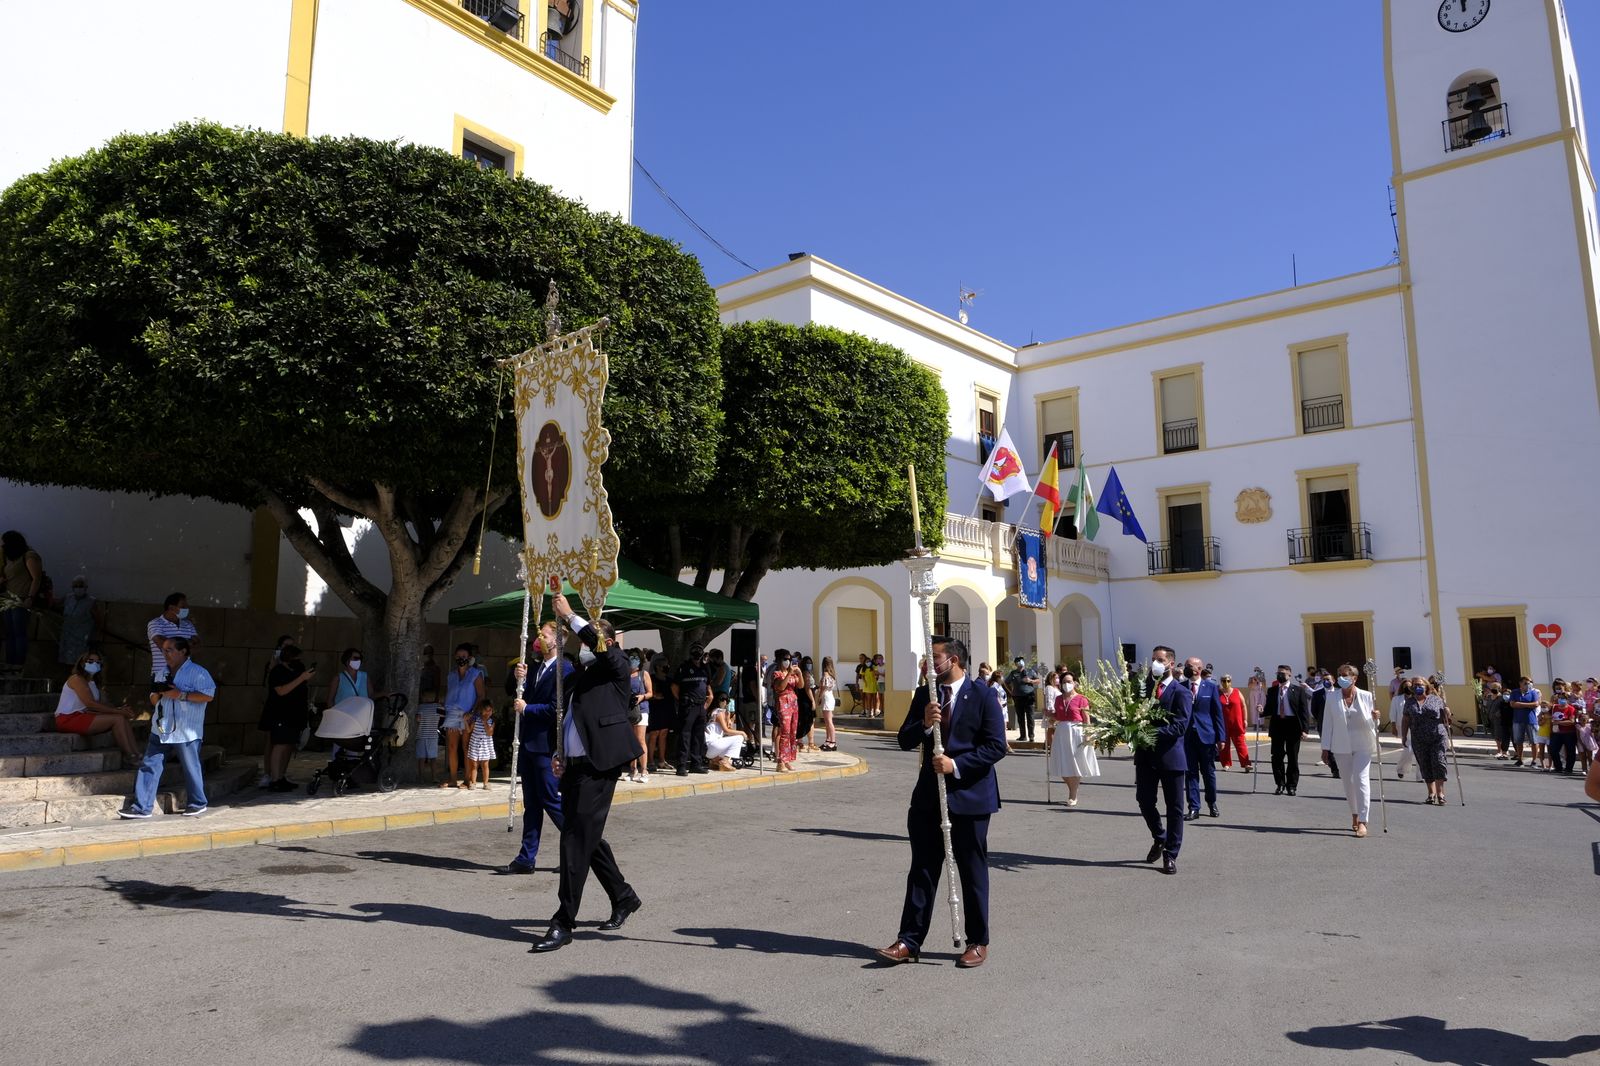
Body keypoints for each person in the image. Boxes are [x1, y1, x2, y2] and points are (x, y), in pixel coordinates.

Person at [876, 634, 1007, 968]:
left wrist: (956, 765)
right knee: (922, 868)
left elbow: (995, 745)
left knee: (972, 870)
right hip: (928, 798)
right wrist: (923, 723)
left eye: (934, 657)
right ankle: (909, 940)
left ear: (954, 659)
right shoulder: (925, 694)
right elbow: (904, 739)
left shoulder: (983, 694)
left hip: (970, 796)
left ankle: (978, 941)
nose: (928, 663)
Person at [531, 593, 645, 954]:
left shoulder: (616, 665)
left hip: (600, 766)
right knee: (585, 835)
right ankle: (623, 895)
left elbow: (604, 651)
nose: (581, 647)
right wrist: (559, 750)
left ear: (605, 642)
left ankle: (563, 921)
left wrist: (571, 616)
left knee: (574, 840)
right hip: (576, 766)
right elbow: (571, 720)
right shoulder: (583, 674)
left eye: (588, 641)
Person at [502, 621, 572, 875]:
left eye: (544, 635)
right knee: (531, 804)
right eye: (538, 634)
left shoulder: (565, 669)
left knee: (551, 800)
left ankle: (579, 849)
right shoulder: (535, 667)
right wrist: (519, 678)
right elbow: (521, 694)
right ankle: (526, 857)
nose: (538, 638)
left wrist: (527, 709)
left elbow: (557, 709)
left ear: (558, 641)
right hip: (529, 743)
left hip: (546, 745)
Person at [119, 637, 214, 819]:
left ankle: (197, 803)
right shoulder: (161, 672)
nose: (165, 654)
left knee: (190, 767)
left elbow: (208, 696)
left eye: (169, 650)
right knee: (150, 765)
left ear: (183, 651)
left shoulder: (198, 672)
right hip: (161, 727)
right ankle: (141, 807)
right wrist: (161, 693)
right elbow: (153, 700)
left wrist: (180, 695)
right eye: (163, 650)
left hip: (186, 729)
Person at [1136, 647, 1191, 874]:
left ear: (1171, 663)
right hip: (1145, 757)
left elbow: (1180, 726)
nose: (1155, 664)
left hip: (1171, 759)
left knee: (1175, 808)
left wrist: (1150, 732)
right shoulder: (1144, 689)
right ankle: (1160, 837)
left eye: (1160, 660)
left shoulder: (1181, 692)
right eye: (1153, 660)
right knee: (1145, 801)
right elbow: (1132, 713)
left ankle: (1171, 854)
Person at [1318, 663, 1379, 836]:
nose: (1342, 678)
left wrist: (1377, 718)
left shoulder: (1367, 696)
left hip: (1363, 744)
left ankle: (1362, 821)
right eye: (1340, 675)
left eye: (1346, 675)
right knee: (1348, 782)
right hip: (1341, 745)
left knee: (1361, 779)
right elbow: (1327, 724)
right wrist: (1325, 748)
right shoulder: (1332, 697)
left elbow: (1373, 722)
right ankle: (1354, 813)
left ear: (1355, 678)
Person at [54, 650, 142, 765]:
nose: (94, 664)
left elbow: (102, 705)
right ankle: (130, 756)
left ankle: (137, 754)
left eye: (97, 662)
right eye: (90, 661)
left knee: (121, 716)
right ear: (82, 663)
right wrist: (117, 712)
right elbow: (90, 703)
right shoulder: (77, 679)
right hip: (67, 718)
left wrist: (121, 710)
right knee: (118, 718)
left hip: (83, 715)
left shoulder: (93, 682)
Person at [259, 643, 314, 792]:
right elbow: (281, 691)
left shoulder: (297, 670)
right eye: (297, 658)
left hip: (295, 715)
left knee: (289, 745)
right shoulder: (278, 671)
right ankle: (275, 778)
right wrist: (302, 678)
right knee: (280, 745)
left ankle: (282, 776)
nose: (299, 661)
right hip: (280, 714)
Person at [1182, 656, 1225, 820]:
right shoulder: (1181, 687)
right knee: (1190, 772)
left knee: (1208, 772)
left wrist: (1221, 737)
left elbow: (1217, 713)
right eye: (1186, 665)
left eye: (1190, 666)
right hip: (1187, 737)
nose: (1187, 668)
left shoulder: (1211, 687)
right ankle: (1194, 807)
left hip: (1206, 735)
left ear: (1199, 669)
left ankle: (1211, 802)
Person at [1046, 670, 1098, 805]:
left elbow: (1086, 718)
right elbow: (1058, 716)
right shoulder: (1058, 698)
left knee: (1075, 763)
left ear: (1074, 683)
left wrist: (1088, 734)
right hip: (1062, 731)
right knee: (1062, 763)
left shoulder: (1082, 698)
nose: (1066, 684)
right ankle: (1072, 790)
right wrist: (1050, 715)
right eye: (1063, 682)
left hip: (1077, 731)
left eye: (1069, 682)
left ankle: (1073, 795)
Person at [438, 643, 483, 789]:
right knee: (451, 747)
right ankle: (452, 779)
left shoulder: (476, 674)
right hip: (452, 713)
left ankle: (467, 779)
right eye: (458, 656)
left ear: (469, 658)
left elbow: (481, 695)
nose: (460, 659)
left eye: (463, 656)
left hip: (467, 714)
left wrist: (473, 712)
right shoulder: (451, 675)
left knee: (466, 747)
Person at [1402, 676, 1451, 804]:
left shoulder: (1436, 699)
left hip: (1437, 735)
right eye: (1415, 685)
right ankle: (1431, 792)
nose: (1417, 687)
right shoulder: (1409, 702)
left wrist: (1447, 711)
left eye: (1420, 684)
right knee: (1425, 764)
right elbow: (1406, 719)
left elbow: (1446, 717)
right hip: (1418, 738)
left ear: (1426, 686)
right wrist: (1403, 735)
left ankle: (1440, 793)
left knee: (1439, 762)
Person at [1265, 665, 1313, 796]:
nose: (1280, 675)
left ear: (1289, 675)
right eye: (1278, 673)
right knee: (1277, 757)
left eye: (1283, 673)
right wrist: (1261, 711)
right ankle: (1279, 784)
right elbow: (1268, 709)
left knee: (1293, 757)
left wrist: (1305, 729)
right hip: (1277, 724)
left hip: (1293, 725)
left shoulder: (1298, 690)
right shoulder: (1272, 690)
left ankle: (1291, 786)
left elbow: (1304, 712)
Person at [1, 530, 44, 667]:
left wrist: (30, 597)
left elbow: (36, 578)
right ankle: (9, 664)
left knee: (19, 633)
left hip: (21, 600)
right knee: (10, 634)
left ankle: (18, 665)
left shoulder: (29, 556)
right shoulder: (10, 558)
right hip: (8, 600)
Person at [672, 643, 713, 776]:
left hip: (701, 706)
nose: (697, 654)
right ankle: (681, 766)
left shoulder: (705, 668)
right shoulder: (684, 667)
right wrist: (681, 700)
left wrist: (708, 701)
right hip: (688, 706)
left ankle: (696, 763)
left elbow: (708, 685)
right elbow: (674, 687)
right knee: (685, 736)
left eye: (699, 651)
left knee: (698, 737)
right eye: (695, 651)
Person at [145, 591, 197, 683]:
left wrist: (174, 645)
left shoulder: (188, 624)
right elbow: (162, 644)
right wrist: (187, 644)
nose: (187, 609)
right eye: (183, 606)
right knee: (163, 698)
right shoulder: (155, 623)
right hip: (162, 677)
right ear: (171, 608)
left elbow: (198, 645)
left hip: (185, 677)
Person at [55, 575, 103, 667]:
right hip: (67, 635)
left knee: (80, 662)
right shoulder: (68, 598)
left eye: (81, 586)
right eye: (75, 586)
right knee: (65, 661)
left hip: (82, 637)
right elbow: (56, 605)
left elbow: (98, 619)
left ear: (86, 587)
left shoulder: (91, 601)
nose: (78, 588)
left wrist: (97, 633)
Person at [646, 651, 674, 772]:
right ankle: (650, 761)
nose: (666, 667)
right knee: (654, 735)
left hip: (666, 709)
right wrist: (655, 696)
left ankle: (662, 760)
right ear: (657, 666)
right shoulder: (651, 679)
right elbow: (650, 693)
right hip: (655, 709)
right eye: (664, 665)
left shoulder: (669, 680)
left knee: (664, 734)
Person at [1217, 674, 1251, 771]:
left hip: (1237, 723)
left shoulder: (1237, 692)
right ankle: (1226, 763)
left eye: (1228, 681)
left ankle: (1246, 764)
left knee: (1240, 744)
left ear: (1231, 681)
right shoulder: (1218, 693)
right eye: (1223, 681)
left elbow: (1243, 705)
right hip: (1223, 724)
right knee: (1224, 744)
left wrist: (1245, 719)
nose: (1226, 683)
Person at [628, 649, 652, 783]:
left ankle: (644, 769)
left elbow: (650, 693)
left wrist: (641, 697)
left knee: (640, 740)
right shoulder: (625, 674)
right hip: (628, 711)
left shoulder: (644, 674)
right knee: (631, 740)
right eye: (631, 657)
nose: (633, 659)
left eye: (635, 657)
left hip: (641, 710)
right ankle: (633, 769)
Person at [773, 659, 800, 772]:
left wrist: (800, 673)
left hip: (793, 701)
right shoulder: (777, 674)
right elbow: (781, 687)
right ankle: (780, 761)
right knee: (785, 732)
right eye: (785, 659)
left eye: (789, 659)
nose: (787, 662)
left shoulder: (793, 673)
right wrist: (789, 674)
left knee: (792, 732)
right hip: (783, 701)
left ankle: (787, 759)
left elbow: (801, 685)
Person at [1508, 676, 1540, 766]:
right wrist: (1528, 705)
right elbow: (1513, 704)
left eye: (1530, 682)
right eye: (1525, 683)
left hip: (1531, 720)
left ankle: (1534, 760)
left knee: (1534, 741)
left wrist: (1520, 704)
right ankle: (1520, 759)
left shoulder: (1533, 692)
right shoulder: (1514, 692)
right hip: (1518, 720)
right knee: (1518, 741)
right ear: (1520, 683)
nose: (1528, 684)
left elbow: (1536, 704)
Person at [1550, 686, 1581, 775]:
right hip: (1556, 733)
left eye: (1563, 699)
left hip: (1569, 733)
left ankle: (1569, 768)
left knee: (1570, 751)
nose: (1561, 700)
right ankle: (1558, 767)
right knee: (1553, 750)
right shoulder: (1554, 707)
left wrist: (1558, 722)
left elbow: (1571, 721)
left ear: (1567, 700)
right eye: (1559, 698)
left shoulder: (1571, 709)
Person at [706, 702, 747, 771]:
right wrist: (742, 732)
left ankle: (714, 762)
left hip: (708, 748)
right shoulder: (718, 712)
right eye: (726, 701)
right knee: (739, 738)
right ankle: (724, 761)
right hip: (712, 745)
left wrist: (729, 719)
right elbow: (726, 730)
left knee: (730, 742)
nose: (727, 704)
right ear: (723, 701)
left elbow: (728, 730)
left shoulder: (712, 712)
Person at [416, 679, 441, 783]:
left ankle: (421, 778)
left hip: (421, 735)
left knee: (421, 758)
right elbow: (442, 715)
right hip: (433, 736)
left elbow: (418, 719)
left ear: (424, 697)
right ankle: (434, 777)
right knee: (433, 758)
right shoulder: (437, 707)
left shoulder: (420, 707)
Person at [797, 654, 819, 752]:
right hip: (806, 700)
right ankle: (810, 743)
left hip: (802, 700)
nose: (809, 664)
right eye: (808, 663)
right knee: (810, 722)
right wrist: (813, 701)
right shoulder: (806, 673)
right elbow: (807, 689)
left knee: (803, 721)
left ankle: (800, 742)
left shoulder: (803, 673)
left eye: (810, 663)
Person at [818, 656, 838, 751]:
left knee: (829, 721)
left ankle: (833, 742)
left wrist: (819, 697)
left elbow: (823, 687)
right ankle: (828, 740)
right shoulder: (832, 674)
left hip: (826, 697)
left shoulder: (825, 674)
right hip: (830, 696)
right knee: (827, 721)